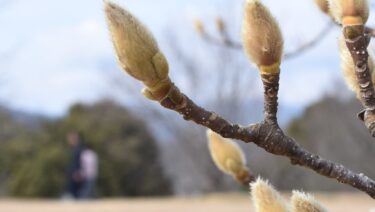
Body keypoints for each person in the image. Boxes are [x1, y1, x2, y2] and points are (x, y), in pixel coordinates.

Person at [64, 132, 84, 199]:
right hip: (71, 173)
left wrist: (78, 172)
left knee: (75, 191)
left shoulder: (78, 150)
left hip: (75, 173)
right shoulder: (73, 149)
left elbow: (79, 162)